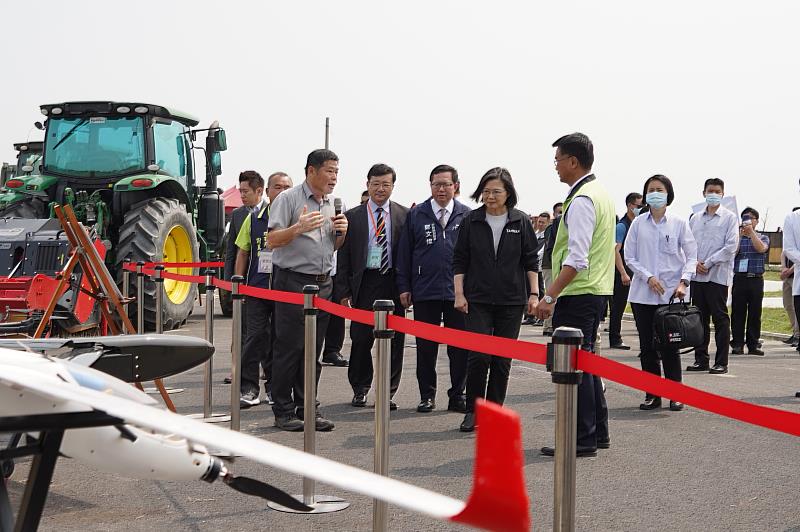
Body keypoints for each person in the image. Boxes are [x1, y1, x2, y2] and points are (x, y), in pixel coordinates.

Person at [535, 132, 613, 458]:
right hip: (593, 292)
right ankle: (597, 433)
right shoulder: (598, 193)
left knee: (574, 369)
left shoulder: (582, 200)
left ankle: (582, 438)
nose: (555, 167)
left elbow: (577, 259)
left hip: (579, 293)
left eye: (557, 160)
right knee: (588, 364)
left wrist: (549, 297)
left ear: (572, 161)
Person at [266, 149, 348, 432]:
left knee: (314, 350)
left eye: (337, 171)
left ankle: (308, 407)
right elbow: (272, 239)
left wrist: (342, 233)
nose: (334, 177)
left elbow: (332, 248)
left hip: (324, 283)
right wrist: (297, 229)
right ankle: (283, 410)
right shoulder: (288, 199)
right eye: (329, 171)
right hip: (293, 281)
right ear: (311, 171)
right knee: (289, 348)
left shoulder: (331, 204)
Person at [453, 167, 540, 432]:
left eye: (496, 191)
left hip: (512, 300)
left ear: (508, 193)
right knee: (478, 356)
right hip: (477, 299)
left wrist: (534, 294)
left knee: (502, 360)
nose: (490, 196)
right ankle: (473, 410)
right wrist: (459, 293)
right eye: (486, 191)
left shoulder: (520, 221)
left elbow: (530, 261)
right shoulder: (472, 220)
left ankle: (494, 411)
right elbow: (460, 259)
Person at [396, 164, 470, 413]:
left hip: (457, 293)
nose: (441, 189)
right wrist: (404, 286)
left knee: (459, 348)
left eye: (446, 184)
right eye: (436, 184)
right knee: (426, 348)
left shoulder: (466, 215)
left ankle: (457, 394)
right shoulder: (417, 215)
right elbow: (405, 253)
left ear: (455, 187)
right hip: (424, 290)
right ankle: (426, 395)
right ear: (430, 186)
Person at [337, 164, 409, 410]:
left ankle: (387, 392)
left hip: (394, 282)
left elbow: (409, 255)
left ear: (392, 186)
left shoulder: (404, 215)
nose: (380, 189)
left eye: (385, 184)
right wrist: (344, 291)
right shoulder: (353, 216)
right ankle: (360, 388)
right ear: (367, 184)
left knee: (395, 341)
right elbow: (343, 256)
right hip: (364, 283)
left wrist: (408, 287)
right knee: (360, 339)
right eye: (376, 184)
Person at [624, 175, 697, 411]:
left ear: (668, 194)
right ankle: (652, 394)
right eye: (651, 189)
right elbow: (629, 256)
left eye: (659, 189)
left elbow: (691, 255)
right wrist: (648, 277)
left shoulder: (678, 223)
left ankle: (675, 394)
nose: (655, 193)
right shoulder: (638, 223)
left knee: (670, 346)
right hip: (643, 295)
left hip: (670, 297)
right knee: (648, 347)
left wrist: (683, 282)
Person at [233, 171, 293, 407]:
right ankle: (248, 388)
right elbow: (243, 251)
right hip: (257, 289)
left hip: (284, 289)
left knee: (280, 342)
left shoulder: (296, 217)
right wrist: (238, 281)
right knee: (255, 337)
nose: (282, 191)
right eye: (277, 187)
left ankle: (274, 389)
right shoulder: (255, 217)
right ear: (267, 192)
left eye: (287, 187)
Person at [687, 178, 739, 374]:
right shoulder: (695, 218)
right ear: (703, 193)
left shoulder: (729, 218)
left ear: (722, 194)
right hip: (697, 276)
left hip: (717, 276)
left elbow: (731, 247)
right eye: (710, 191)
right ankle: (701, 359)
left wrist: (708, 263)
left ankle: (721, 361)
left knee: (720, 319)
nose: (713, 194)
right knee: (699, 319)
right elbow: (688, 244)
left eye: (717, 191)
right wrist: (695, 264)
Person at [222, 170, 267, 384]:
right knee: (241, 329)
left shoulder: (273, 212)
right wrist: (230, 282)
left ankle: (266, 369)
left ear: (259, 190)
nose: (242, 195)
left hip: (265, 282)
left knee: (264, 331)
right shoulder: (239, 214)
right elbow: (232, 250)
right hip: (244, 283)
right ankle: (238, 369)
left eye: (246, 191)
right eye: (240, 191)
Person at [730, 207, 770, 356]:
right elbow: (732, 253)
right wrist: (739, 236)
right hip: (740, 278)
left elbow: (761, 249)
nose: (747, 220)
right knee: (738, 312)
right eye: (745, 218)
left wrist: (751, 233)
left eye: (751, 218)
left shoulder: (763, 237)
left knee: (755, 313)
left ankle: (753, 344)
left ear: (756, 221)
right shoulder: (736, 237)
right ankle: (737, 344)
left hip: (756, 279)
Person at [608, 192, 643, 350]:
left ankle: (645, 339)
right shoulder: (622, 226)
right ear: (630, 206)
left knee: (638, 308)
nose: (642, 209)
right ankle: (615, 338)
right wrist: (623, 272)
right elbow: (615, 251)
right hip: (623, 273)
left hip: (636, 273)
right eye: (639, 206)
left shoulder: (638, 223)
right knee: (618, 307)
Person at [521, 212, 550, 325]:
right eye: (539, 222)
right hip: (531, 267)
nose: (540, 224)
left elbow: (541, 252)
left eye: (543, 222)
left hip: (540, 267)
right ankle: (530, 315)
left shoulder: (546, 236)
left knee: (540, 292)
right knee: (528, 291)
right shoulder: (535, 235)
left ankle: (540, 316)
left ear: (548, 223)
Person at [541, 202, 563, 336]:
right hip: (550, 265)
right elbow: (550, 247)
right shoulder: (552, 227)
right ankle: (548, 325)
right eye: (558, 212)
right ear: (554, 214)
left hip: (560, 266)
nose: (560, 214)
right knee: (550, 294)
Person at [780, 208, 800, 347]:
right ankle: (796, 333)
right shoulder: (792, 218)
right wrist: (783, 268)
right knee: (789, 305)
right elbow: (787, 250)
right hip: (794, 277)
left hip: (794, 272)